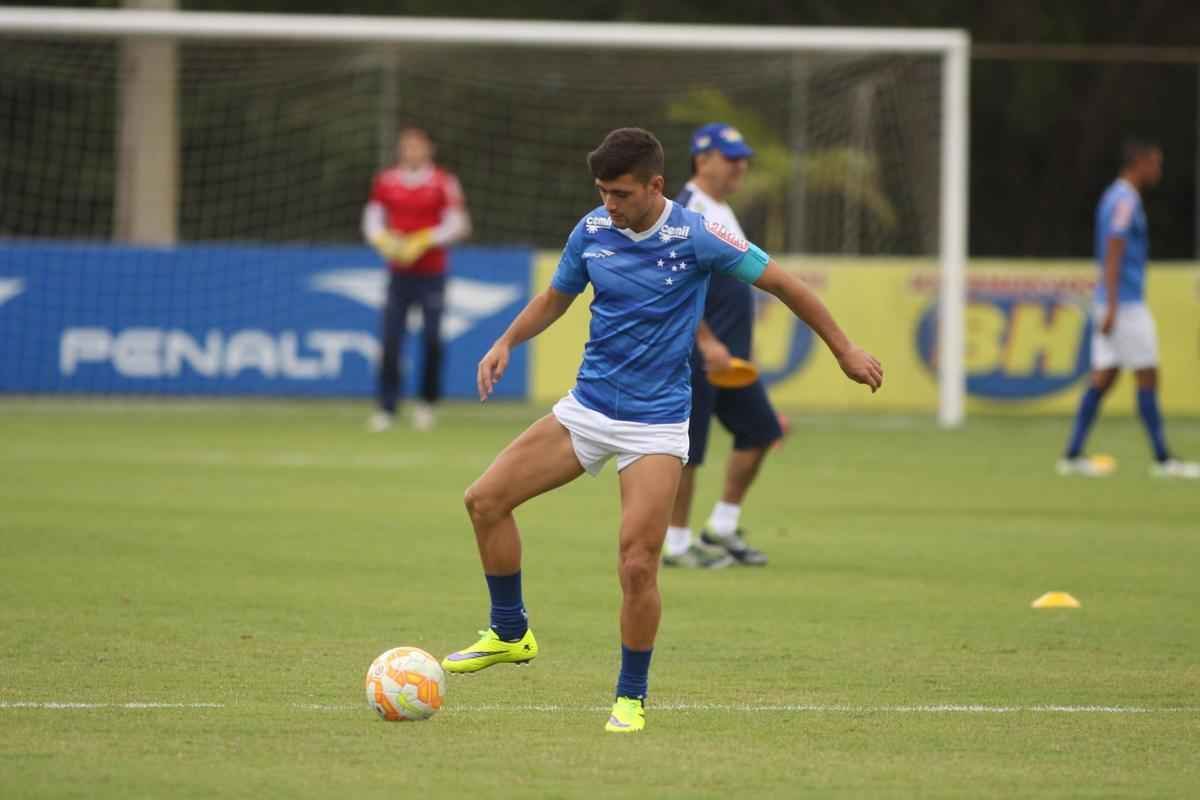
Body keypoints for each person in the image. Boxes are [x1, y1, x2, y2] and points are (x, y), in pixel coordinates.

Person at [439, 128, 883, 733]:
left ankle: (630, 696)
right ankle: (510, 632)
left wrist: (844, 349)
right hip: (586, 411)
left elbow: (785, 284)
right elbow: (556, 297)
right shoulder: (591, 230)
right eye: (601, 192)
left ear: (655, 185)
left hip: (655, 425)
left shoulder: (699, 235)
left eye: (621, 193)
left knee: (637, 564)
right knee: (484, 500)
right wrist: (506, 341)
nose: (610, 205)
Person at [664, 122, 781, 569]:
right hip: (697, 353)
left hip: (731, 357)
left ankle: (723, 526)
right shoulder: (685, 209)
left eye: (743, 159)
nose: (741, 167)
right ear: (702, 159)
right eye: (732, 158)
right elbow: (673, 286)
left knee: (761, 432)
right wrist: (707, 340)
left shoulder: (722, 208)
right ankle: (676, 544)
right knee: (688, 449)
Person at [1058, 138, 1198, 479]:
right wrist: (1113, 305)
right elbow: (1115, 246)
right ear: (1141, 162)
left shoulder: (1114, 196)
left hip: (1113, 301)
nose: (1159, 170)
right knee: (1147, 375)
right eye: (1156, 163)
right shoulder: (1124, 200)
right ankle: (1164, 460)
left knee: (1104, 377)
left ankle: (1072, 455)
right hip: (1125, 305)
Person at [361, 127, 471, 433]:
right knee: (391, 340)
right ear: (400, 151)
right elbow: (371, 221)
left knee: (433, 339)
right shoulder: (385, 182)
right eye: (407, 147)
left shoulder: (443, 182)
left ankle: (427, 403)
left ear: (428, 150)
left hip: (432, 274)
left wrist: (425, 239)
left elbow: (458, 224)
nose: (412, 152)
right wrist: (386, 241)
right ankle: (386, 407)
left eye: (417, 147)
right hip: (398, 275)